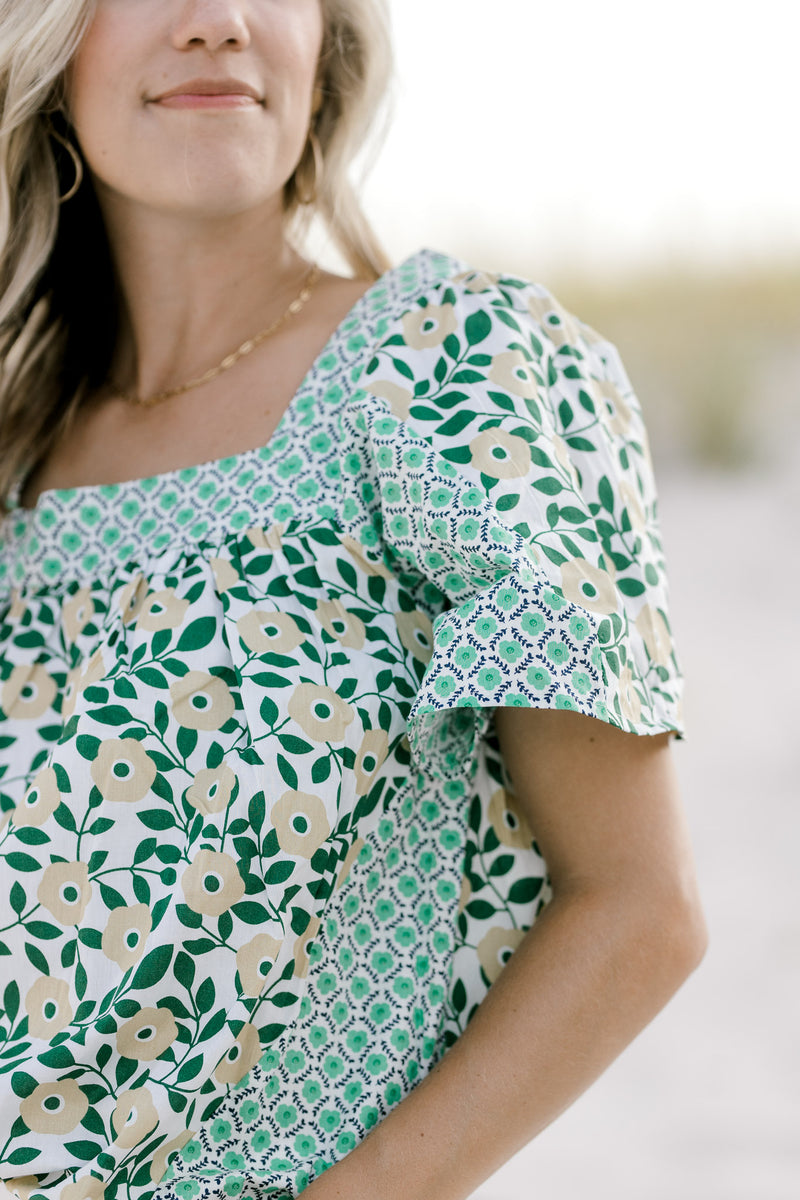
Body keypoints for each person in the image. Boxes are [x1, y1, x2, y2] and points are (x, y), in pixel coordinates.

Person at [0, 3, 707, 1200]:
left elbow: (637, 909)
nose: (215, 20)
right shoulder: (22, 449)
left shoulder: (452, 365)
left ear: (325, 44)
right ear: (47, 46)